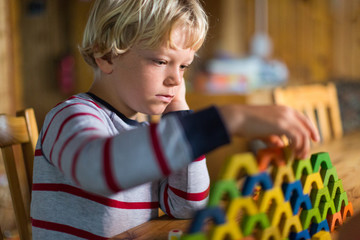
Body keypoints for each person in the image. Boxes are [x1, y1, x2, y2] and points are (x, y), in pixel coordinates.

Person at [30, 0, 319, 239]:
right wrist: (225, 120)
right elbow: (98, 170)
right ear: (106, 56)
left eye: (183, 66)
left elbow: (186, 205)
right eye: (160, 61)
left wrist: (180, 110)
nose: (174, 79)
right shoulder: (70, 115)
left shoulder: (147, 132)